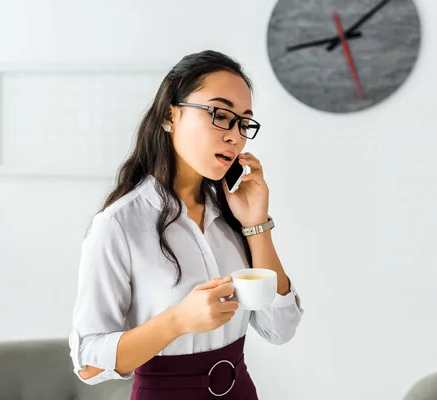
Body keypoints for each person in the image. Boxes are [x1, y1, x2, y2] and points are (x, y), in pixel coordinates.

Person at [69, 50, 304, 400]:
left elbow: (280, 328)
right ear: (170, 115)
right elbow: (88, 362)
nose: (235, 136)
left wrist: (257, 224)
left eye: (243, 123)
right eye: (220, 115)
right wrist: (178, 321)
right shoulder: (118, 225)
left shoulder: (231, 217)